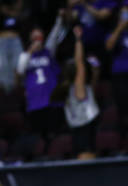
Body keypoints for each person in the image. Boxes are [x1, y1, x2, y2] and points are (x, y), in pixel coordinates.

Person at [55, 26, 100, 160]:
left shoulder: (69, 88)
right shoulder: (77, 87)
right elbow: (80, 62)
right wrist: (78, 40)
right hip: (83, 126)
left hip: (82, 125)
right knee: (85, 158)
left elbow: (91, 81)